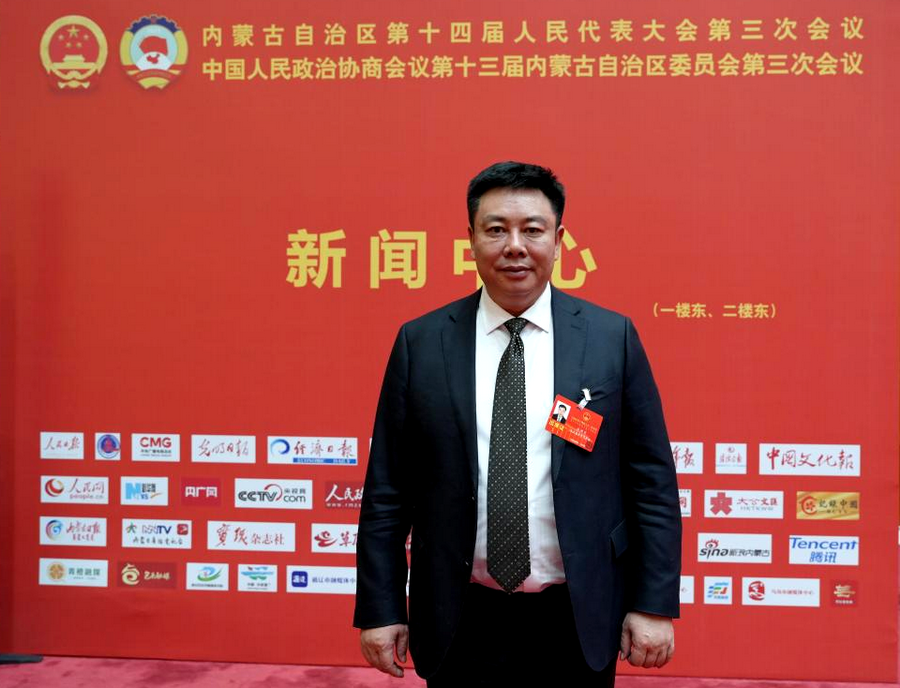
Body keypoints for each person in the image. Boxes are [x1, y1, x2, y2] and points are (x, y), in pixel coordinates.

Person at [354, 161, 681, 687]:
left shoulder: (610, 338)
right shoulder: (422, 343)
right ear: (471, 239)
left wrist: (653, 604)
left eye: (532, 229)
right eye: (496, 229)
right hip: (461, 613)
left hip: (576, 614)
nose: (514, 246)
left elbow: (652, 484)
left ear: (558, 240)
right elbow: (387, 491)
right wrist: (381, 607)